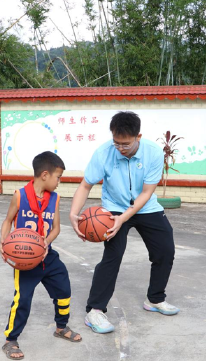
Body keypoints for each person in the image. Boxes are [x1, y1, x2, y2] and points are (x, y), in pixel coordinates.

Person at [69, 111, 179, 335]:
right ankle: (95, 310)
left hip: (145, 206)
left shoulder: (154, 153)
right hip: (113, 207)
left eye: (125, 144)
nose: (120, 148)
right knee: (113, 255)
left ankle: (155, 299)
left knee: (165, 251)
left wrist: (125, 218)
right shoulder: (104, 153)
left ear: (138, 136)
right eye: (116, 142)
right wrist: (73, 213)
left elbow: (147, 193)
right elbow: (85, 185)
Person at [0, 151, 82, 360]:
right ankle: (10, 339)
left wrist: (45, 242)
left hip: (48, 255)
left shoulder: (54, 198)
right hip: (25, 259)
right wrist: (3, 241)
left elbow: (56, 229)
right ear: (45, 174)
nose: (59, 182)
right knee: (22, 299)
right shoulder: (20, 195)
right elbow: (8, 220)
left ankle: (61, 327)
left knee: (64, 289)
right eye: (58, 177)